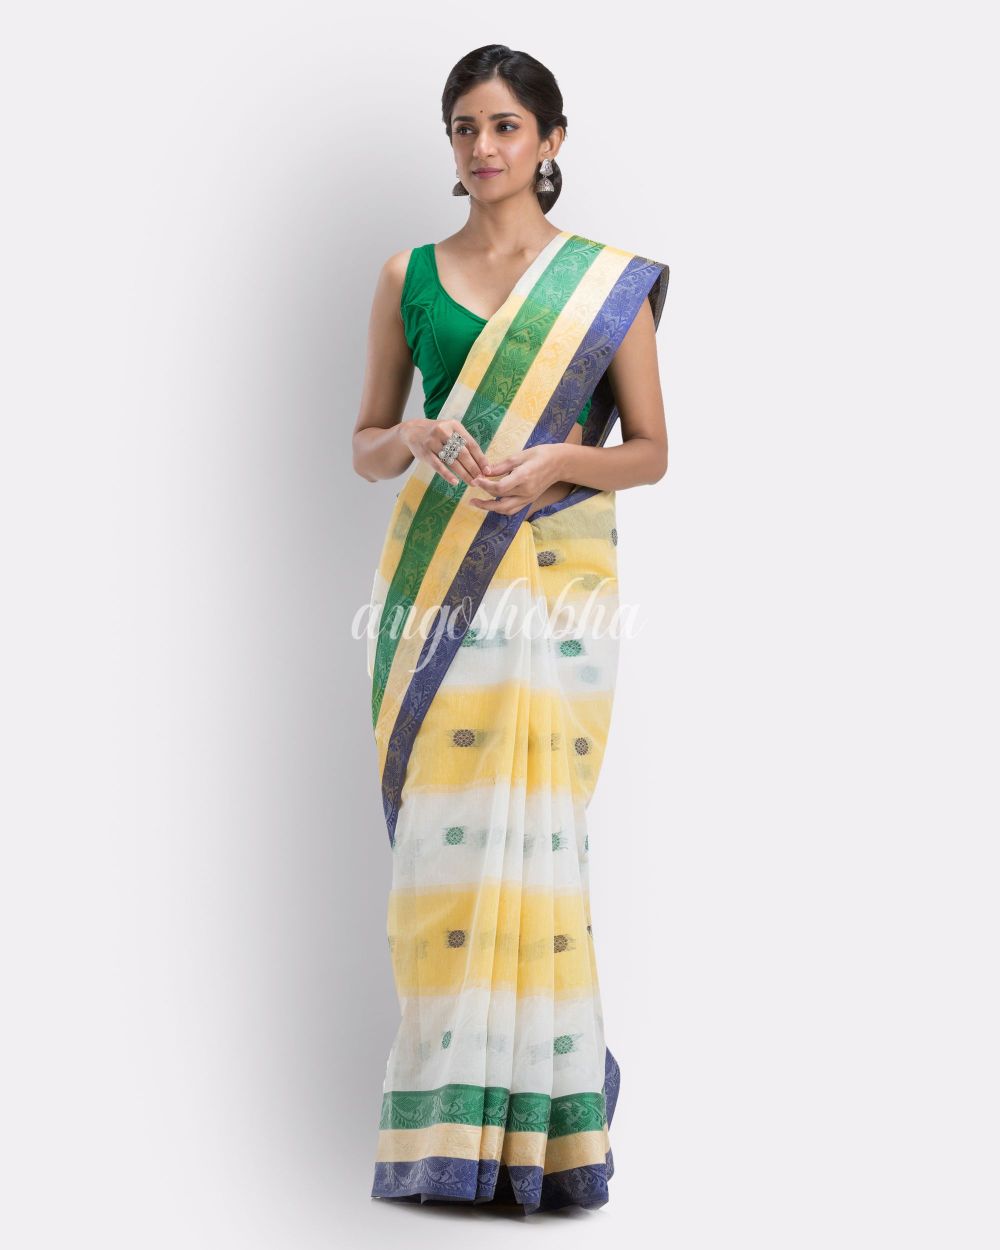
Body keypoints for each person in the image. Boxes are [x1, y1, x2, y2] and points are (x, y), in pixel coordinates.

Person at [352, 43, 669, 1214]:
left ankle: (544, 1125)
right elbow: (365, 443)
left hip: (554, 581)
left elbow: (651, 450)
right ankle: (442, 1121)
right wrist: (412, 438)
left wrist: (557, 464)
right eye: (463, 127)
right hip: (435, 582)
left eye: (503, 126)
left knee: (542, 836)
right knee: (440, 850)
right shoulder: (407, 275)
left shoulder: (603, 283)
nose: (482, 147)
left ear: (549, 140)